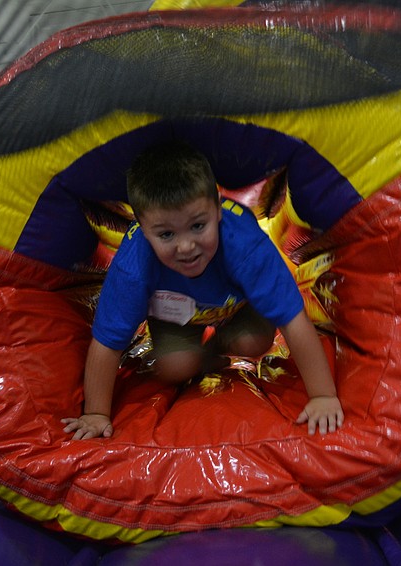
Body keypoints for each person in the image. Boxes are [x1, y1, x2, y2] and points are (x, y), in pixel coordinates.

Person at [63, 142, 344, 440]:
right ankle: (205, 357)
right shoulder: (134, 265)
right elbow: (107, 341)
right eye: (166, 234)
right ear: (143, 230)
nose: (186, 247)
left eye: (198, 226)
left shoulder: (244, 244)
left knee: (255, 341)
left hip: (236, 307)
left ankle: (218, 345)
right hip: (174, 315)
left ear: (218, 210)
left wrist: (323, 396)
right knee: (174, 368)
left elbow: (292, 317)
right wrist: (95, 413)